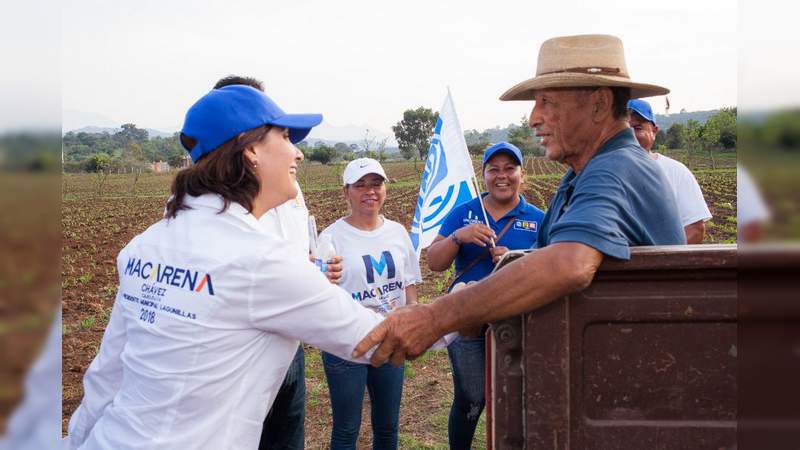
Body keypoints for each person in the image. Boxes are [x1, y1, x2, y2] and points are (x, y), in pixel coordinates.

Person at [64, 85, 385, 450]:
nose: (297, 151)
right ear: (250, 151)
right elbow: (372, 339)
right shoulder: (255, 256)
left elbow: (108, 374)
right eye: (284, 135)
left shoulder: (147, 244)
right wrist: (458, 309)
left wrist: (74, 441)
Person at [353, 34, 686, 368]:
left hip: (634, 376)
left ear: (598, 104)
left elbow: (568, 264)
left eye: (547, 102)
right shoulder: (583, 174)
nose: (533, 118)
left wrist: (435, 316)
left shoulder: (615, 168)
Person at [211, 75, 342, 450]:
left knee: (286, 439)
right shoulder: (204, 201)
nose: (296, 152)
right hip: (240, 354)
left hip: (288, 347)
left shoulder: (289, 186)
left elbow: (303, 248)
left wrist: (319, 269)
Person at [425, 142, 544, 449]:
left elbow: (553, 266)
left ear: (521, 173)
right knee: (471, 398)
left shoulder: (538, 218)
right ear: (484, 175)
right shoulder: (463, 213)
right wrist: (458, 237)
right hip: (470, 325)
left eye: (509, 169)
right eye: (494, 170)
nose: (501, 176)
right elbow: (435, 263)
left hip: (521, 324)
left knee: (518, 398)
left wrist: (520, 257)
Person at [318, 158, 421, 450]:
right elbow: (322, 291)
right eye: (360, 185)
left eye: (376, 184)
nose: (369, 191)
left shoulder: (398, 233)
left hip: (390, 339)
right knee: (346, 428)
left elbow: (409, 284)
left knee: (387, 426)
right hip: (347, 343)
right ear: (346, 191)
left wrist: (411, 317)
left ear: (385, 188)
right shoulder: (331, 237)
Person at [627, 99, 712, 244]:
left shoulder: (676, 171)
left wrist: (660, 261)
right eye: (623, 129)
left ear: (654, 131)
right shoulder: (601, 173)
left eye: (637, 128)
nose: (629, 135)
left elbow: (694, 229)